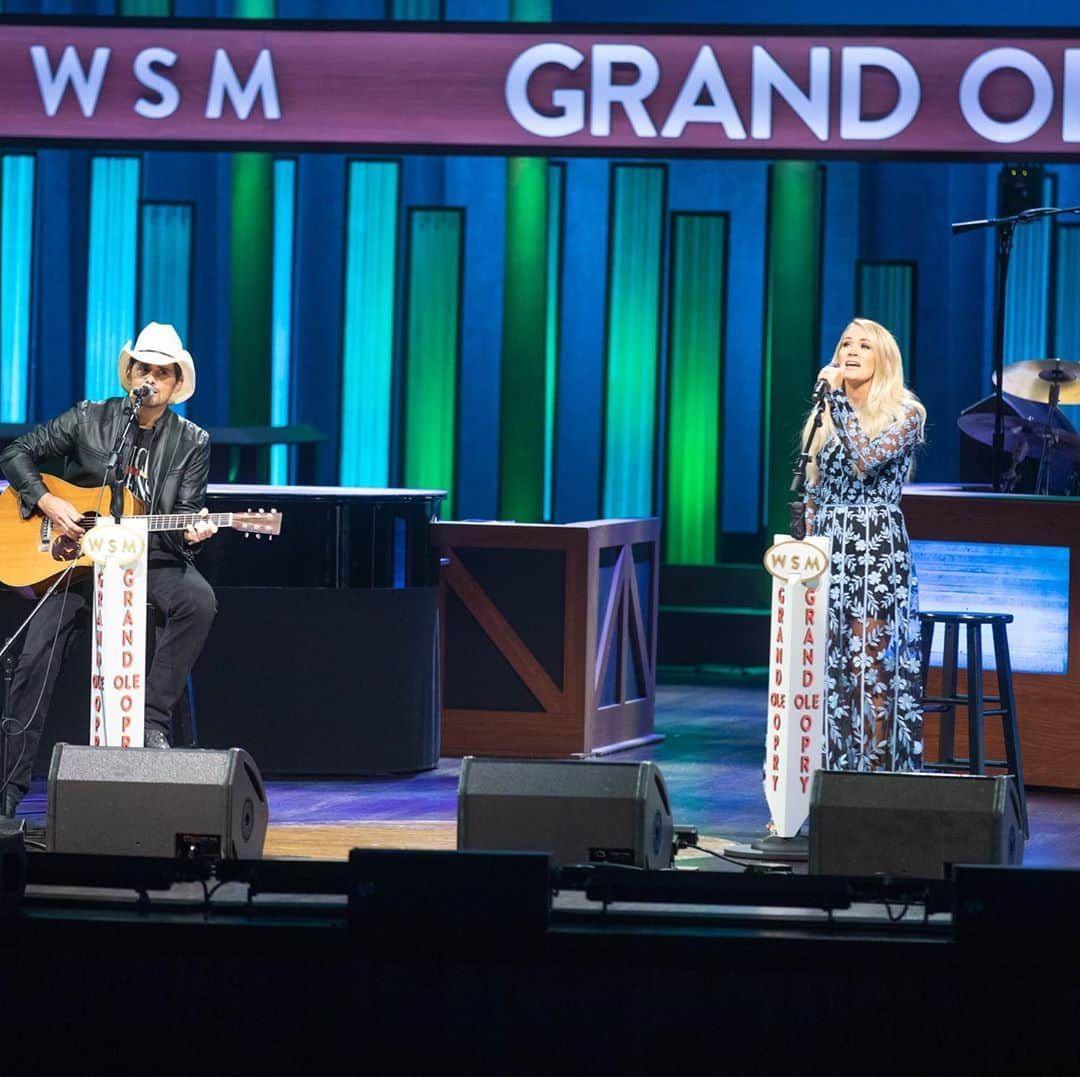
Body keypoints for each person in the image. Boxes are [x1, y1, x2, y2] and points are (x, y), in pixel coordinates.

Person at [0, 322, 218, 818]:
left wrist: (193, 533)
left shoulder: (191, 442)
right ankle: (7, 789)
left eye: (164, 373)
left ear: (175, 382)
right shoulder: (88, 418)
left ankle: (151, 720)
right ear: (131, 374)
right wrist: (48, 501)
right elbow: (16, 454)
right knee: (34, 656)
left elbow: (185, 514)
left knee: (197, 600)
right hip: (77, 559)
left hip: (149, 554)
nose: (153, 380)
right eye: (146, 369)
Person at [802, 318, 927, 772]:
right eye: (844, 344)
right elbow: (813, 488)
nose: (851, 352)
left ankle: (874, 776)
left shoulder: (905, 414)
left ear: (883, 359)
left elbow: (865, 459)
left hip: (874, 548)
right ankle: (829, 771)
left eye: (864, 346)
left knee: (867, 666)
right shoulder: (825, 418)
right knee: (828, 665)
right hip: (828, 548)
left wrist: (835, 399)